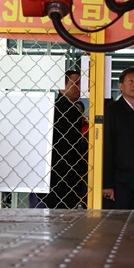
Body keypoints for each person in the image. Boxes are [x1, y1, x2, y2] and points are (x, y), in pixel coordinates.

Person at [30, 70, 87, 209]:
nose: (79, 87)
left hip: (61, 174)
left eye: (81, 83)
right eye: (75, 83)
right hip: (59, 173)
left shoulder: (71, 109)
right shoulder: (58, 109)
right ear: (62, 86)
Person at [102, 67, 134, 210]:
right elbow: (106, 148)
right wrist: (106, 184)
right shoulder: (111, 111)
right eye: (130, 81)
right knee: (115, 223)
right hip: (117, 186)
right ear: (121, 86)